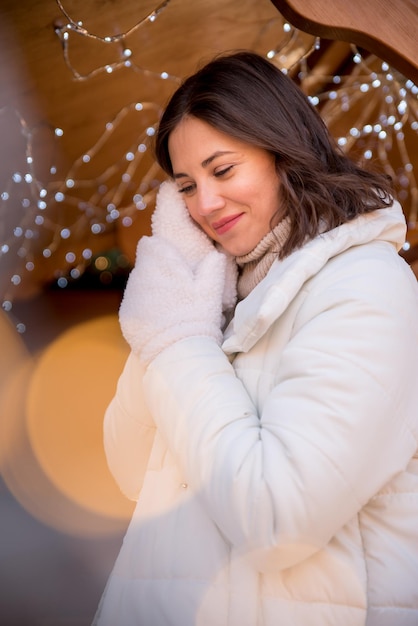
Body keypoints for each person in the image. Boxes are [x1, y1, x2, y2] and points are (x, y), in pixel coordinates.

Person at [93, 51, 418, 626]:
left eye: (223, 171)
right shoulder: (215, 299)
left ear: (282, 153)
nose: (205, 205)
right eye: (186, 186)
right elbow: (128, 472)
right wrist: (180, 296)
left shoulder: (364, 285)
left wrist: (176, 343)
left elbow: (279, 521)